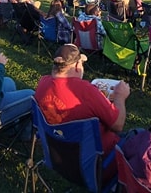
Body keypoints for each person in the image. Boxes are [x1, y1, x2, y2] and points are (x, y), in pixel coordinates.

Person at [34, 43, 131, 181]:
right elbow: (118, 125)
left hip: (58, 157)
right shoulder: (87, 91)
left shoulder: (43, 83)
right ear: (76, 66)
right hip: (98, 163)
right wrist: (120, 97)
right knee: (136, 135)